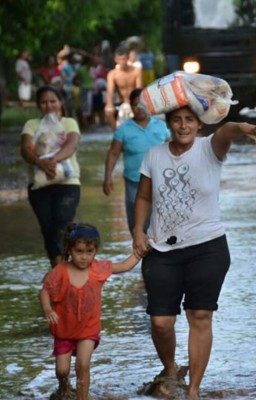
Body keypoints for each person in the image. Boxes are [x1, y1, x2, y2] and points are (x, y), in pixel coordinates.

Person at [132, 105, 256, 399]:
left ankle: (193, 389)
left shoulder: (210, 148)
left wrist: (244, 127)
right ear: (168, 124)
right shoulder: (154, 155)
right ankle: (170, 367)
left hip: (208, 247)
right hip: (161, 250)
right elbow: (143, 196)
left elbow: (227, 130)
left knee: (200, 315)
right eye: (177, 120)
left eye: (189, 120)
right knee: (161, 322)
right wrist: (138, 231)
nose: (183, 126)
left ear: (199, 125)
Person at [40, 222, 141, 400]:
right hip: (64, 330)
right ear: (70, 250)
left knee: (82, 365)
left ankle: (82, 397)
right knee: (62, 370)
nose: (84, 257)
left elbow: (124, 266)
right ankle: (64, 384)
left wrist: (139, 253)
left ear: (95, 251)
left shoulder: (98, 269)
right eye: (79, 251)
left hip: (88, 329)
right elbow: (45, 291)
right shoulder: (61, 271)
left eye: (89, 252)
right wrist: (48, 309)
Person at [20, 85, 82, 267]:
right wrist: (40, 163)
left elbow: (72, 145)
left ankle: (62, 268)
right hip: (39, 186)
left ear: (60, 103)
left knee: (62, 226)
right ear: (38, 105)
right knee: (47, 229)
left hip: (68, 183)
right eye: (44, 102)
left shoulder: (69, 123)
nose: (49, 106)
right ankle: (57, 269)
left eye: (53, 101)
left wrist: (52, 161)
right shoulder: (32, 125)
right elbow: (25, 149)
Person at [103, 88, 170, 233]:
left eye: (144, 104)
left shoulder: (162, 127)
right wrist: (107, 177)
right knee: (137, 222)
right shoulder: (123, 129)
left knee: (161, 219)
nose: (140, 108)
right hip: (134, 181)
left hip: (160, 179)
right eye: (136, 104)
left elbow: (174, 150)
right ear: (131, 106)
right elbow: (113, 153)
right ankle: (140, 249)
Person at [105, 45, 142, 131]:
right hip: (122, 104)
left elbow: (139, 90)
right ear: (115, 60)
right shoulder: (112, 74)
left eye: (124, 59)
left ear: (128, 58)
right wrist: (109, 104)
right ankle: (117, 135)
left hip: (135, 103)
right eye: (119, 59)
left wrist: (136, 104)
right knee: (108, 110)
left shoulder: (136, 71)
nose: (122, 62)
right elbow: (109, 92)